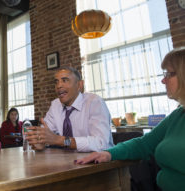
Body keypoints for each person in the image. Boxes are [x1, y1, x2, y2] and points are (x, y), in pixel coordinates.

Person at [75, 47, 185, 191]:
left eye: (169, 74)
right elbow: (143, 144)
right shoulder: (178, 115)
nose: (163, 80)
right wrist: (109, 153)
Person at [26, 67, 113, 152]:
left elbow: (101, 143)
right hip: (69, 162)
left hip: (101, 163)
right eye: (56, 82)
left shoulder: (94, 102)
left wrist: (61, 140)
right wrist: (40, 142)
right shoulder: (55, 105)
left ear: (79, 85)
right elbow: (45, 134)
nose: (59, 86)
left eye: (65, 80)